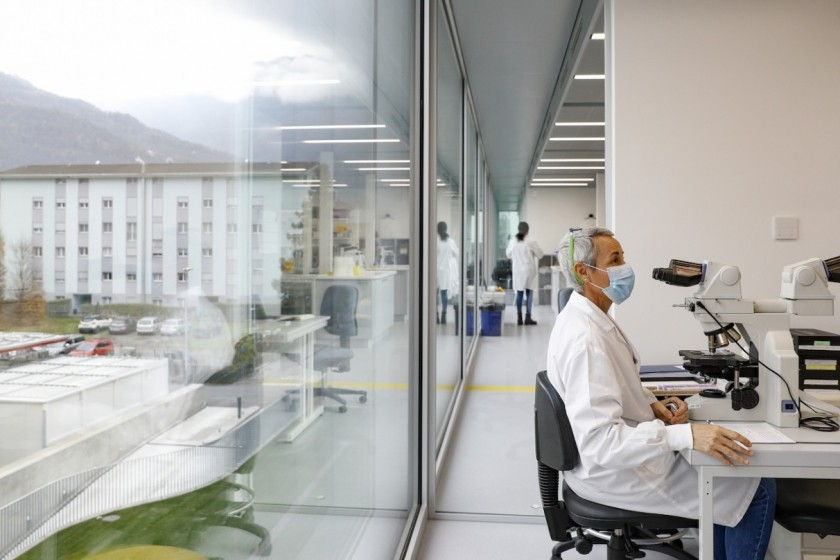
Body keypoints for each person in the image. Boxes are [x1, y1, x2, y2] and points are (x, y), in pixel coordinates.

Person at [546, 227, 775, 560]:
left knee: (728, 473)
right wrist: (684, 435)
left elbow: (616, 380)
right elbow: (602, 445)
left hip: (616, 462)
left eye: (623, 256)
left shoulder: (588, 318)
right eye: (615, 259)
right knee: (756, 487)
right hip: (613, 473)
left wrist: (653, 406)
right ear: (584, 271)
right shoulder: (586, 341)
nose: (626, 267)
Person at [506, 221, 544, 325]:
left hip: (518, 272)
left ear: (518, 230)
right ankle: (528, 317)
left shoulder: (513, 241)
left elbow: (508, 255)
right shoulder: (531, 241)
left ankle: (519, 317)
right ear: (527, 230)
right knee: (529, 293)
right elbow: (540, 255)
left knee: (519, 293)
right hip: (528, 271)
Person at [437, 221, 459, 325]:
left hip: (437, 270)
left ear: (437, 230)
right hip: (446, 270)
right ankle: (443, 315)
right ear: (445, 229)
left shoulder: (436, 241)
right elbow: (457, 253)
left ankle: (435, 315)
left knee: (435, 293)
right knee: (444, 293)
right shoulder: (450, 241)